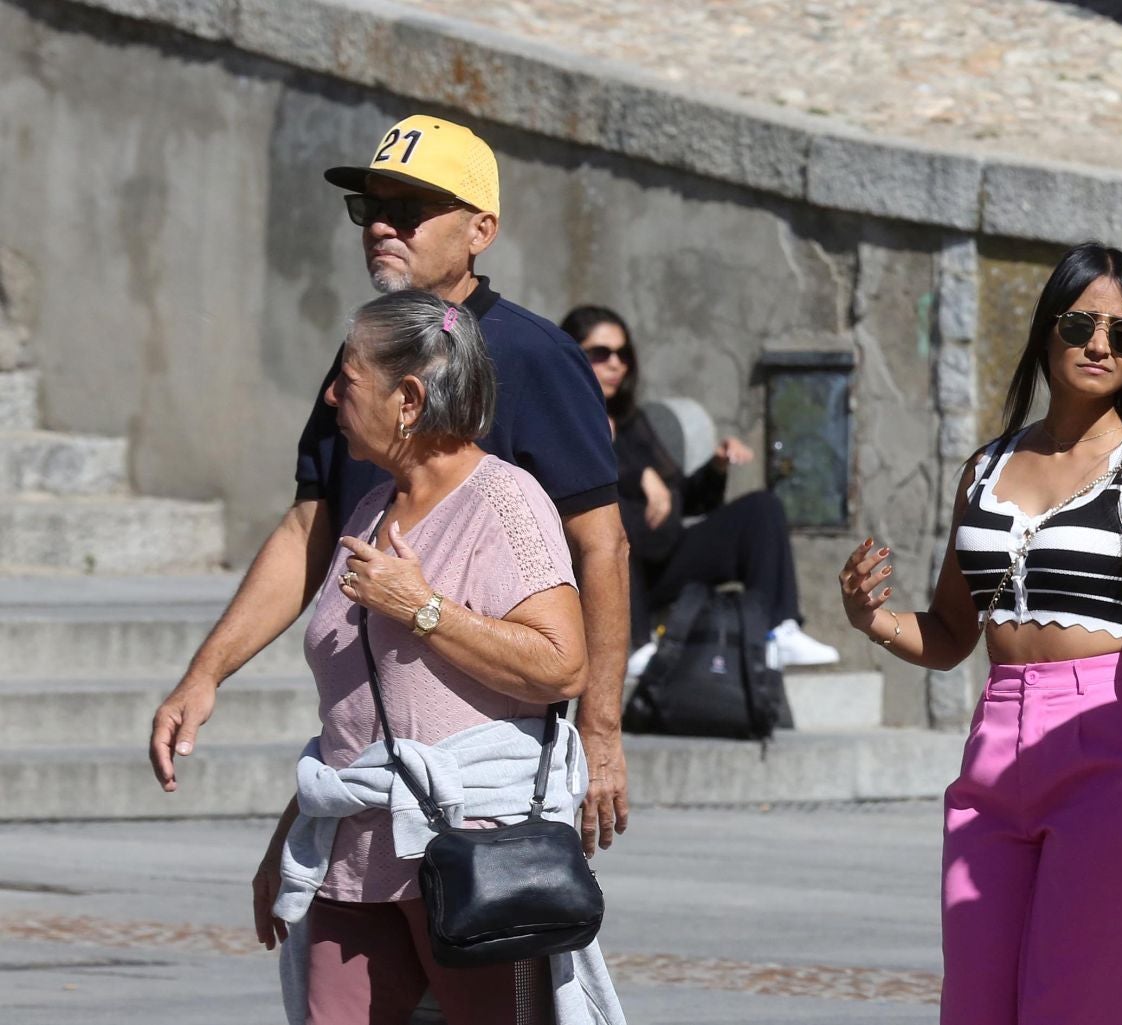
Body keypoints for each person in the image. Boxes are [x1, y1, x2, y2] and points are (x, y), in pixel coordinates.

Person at [148, 115, 633, 858]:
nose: (381, 226)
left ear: (481, 229)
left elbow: (603, 547)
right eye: (368, 208)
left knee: (485, 970)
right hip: (368, 763)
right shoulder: (361, 360)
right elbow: (308, 526)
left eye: (407, 210)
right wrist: (204, 673)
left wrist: (600, 731)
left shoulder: (536, 357)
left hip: (487, 778)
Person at [838, 242, 1122, 1025]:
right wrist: (873, 619)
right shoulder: (986, 466)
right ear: (1048, 330)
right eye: (1080, 324)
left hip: (1111, 744)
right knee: (975, 1006)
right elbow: (951, 630)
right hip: (996, 746)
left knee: (1081, 1006)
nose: (1098, 344)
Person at [253, 290, 624, 1025]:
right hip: (353, 862)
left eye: (348, 380)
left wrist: (422, 609)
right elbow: (354, 717)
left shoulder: (507, 502)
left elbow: (560, 664)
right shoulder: (370, 512)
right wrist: (286, 837)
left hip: (471, 860)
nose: (330, 395)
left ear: (409, 398)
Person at [557, 305, 838, 671]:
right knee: (612, 523)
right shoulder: (560, 414)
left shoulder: (629, 421)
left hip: (663, 561)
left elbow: (684, 500)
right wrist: (635, 474)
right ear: (572, 355)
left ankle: (774, 631)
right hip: (611, 574)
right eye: (600, 353)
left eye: (623, 354)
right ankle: (635, 645)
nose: (616, 364)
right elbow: (566, 490)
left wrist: (717, 467)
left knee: (761, 509)